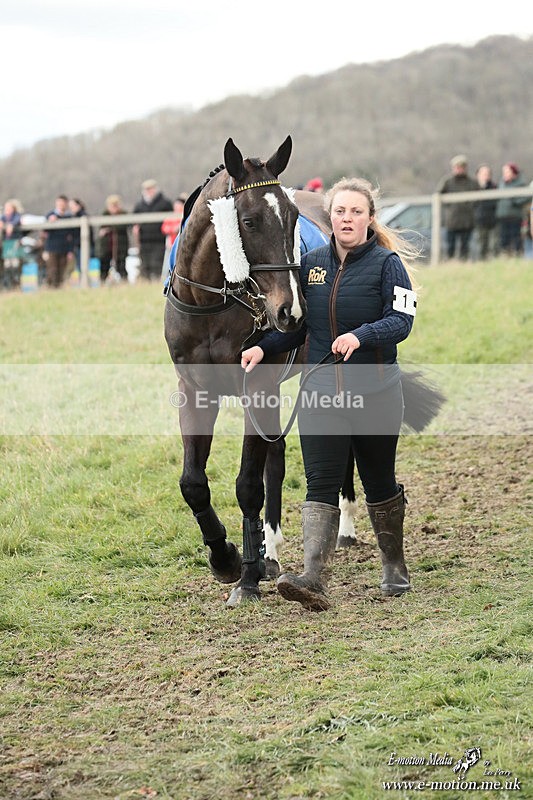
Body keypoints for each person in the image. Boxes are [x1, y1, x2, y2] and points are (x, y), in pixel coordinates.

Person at [241, 177, 418, 611]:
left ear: (369, 218)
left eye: (356, 212)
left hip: (375, 392)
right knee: (320, 483)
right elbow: (302, 326)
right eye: (340, 211)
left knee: (378, 483)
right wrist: (263, 347)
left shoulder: (387, 265)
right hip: (320, 393)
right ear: (330, 217)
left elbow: (403, 321)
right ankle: (312, 575)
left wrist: (362, 335)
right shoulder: (312, 264)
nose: (347, 218)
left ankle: (394, 565)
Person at [437, 155, 479, 261]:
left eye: (461, 167)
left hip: (467, 221)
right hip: (452, 221)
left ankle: (463, 263)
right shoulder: (447, 182)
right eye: (457, 167)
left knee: (465, 247)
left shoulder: (472, 182)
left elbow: (478, 198)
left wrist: (469, 206)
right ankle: (450, 263)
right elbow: (438, 196)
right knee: (450, 247)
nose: (459, 169)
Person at [133, 179, 173, 280]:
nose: (149, 191)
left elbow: (171, 218)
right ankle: (145, 283)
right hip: (144, 240)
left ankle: (155, 282)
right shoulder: (139, 205)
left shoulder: (165, 203)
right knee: (145, 265)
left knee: (156, 264)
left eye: (150, 189)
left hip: (158, 240)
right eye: (147, 189)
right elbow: (134, 220)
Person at [495, 163, 527, 256]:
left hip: (515, 216)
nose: (505, 174)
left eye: (507, 172)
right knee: (503, 238)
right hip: (502, 216)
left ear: (513, 173)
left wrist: (515, 201)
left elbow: (525, 197)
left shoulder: (520, 184)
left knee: (516, 237)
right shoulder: (502, 183)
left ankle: (518, 254)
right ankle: (505, 256)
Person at [97, 194, 130, 281]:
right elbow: (102, 229)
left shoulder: (124, 214)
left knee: (121, 267)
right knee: (104, 267)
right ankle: (102, 282)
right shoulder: (104, 215)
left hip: (120, 247)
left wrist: (110, 228)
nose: (114, 207)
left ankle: (124, 282)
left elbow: (122, 226)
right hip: (106, 247)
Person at [43, 194, 73, 288]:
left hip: (64, 248)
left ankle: (58, 287)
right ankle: (50, 287)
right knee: (52, 269)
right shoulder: (50, 215)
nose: (61, 205)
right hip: (52, 247)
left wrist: (70, 250)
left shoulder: (69, 217)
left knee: (62, 269)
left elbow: (71, 235)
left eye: (63, 203)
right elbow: (45, 231)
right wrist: (50, 221)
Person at [473, 164, 497, 260]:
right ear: (477, 175)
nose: (485, 176)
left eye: (487, 174)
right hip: (479, 221)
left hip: (493, 221)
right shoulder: (473, 187)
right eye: (483, 174)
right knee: (481, 246)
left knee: (494, 246)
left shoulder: (494, 187)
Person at [161, 193, 187, 280]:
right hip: (171, 244)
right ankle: (165, 277)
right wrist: (173, 229)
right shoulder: (171, 216)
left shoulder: (184, 215)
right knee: (168, 264)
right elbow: (164, 228)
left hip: (182, 244)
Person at [0, 198, 24, 289]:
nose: (7, 210)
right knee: (7, 264)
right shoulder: (4, 217)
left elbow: (17, 220)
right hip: (7, 244)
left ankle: (16, 284)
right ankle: (8, 285)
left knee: (15, 264)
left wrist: (11, 225)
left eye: (8, 208)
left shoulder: (16, 216)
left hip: (15, 243)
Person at [68, 198, 94, 273]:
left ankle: (84, 282)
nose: (71, 208)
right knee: (80, 266)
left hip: (82, 245)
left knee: (82, 266)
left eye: (72, 206)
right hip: (78, 246)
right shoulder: (74, 216)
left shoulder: (83, 216)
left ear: (78, 206)